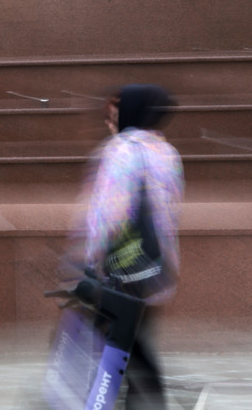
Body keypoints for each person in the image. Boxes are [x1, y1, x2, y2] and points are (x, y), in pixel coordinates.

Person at [80, 84, 184, 410]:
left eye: (115, 116)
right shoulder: (167, 152)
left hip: (121, 268)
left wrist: (90, 259)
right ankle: (148, 401)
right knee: (133, 341)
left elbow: (108, 213)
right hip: (156, 266)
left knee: (118, 343)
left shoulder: (121, 150)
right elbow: (169, 211)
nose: (110, 123)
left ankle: (142, 401)